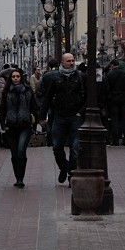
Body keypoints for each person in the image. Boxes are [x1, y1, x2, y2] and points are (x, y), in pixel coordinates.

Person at [39, 52, 86, 184]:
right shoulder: (56, 78)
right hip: (59, 116)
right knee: (57, 146)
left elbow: (87, 97)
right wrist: (42, 117)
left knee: (75, 148)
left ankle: (72, 174)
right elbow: (47, 98)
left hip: (75, 117)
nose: (71, 63)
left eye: (72, 60)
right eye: (68, 61)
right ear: (62, 63)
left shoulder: (80, 77)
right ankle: (63, 168)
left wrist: (80, 112)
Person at [0, 68, 39, 188]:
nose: (16, 78)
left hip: (25, 126)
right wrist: (3, 125)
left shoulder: (27, 91)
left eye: (17, 76)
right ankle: (17, 176)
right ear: (10, 79)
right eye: (13, 77)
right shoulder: (7, 92)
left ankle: (20, 178)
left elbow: (34, 107)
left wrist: (34, 124)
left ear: (21, 77)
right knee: (14, 154)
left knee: (21, 151)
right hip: (11, 126)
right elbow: (2, 110)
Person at [104, 59, 125, 146]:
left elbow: (107, 89)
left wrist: (110, 98)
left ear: (112, 65)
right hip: (124, 100)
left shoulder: (109, 75)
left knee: (115, 120)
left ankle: (116, 140)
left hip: (114, 100)